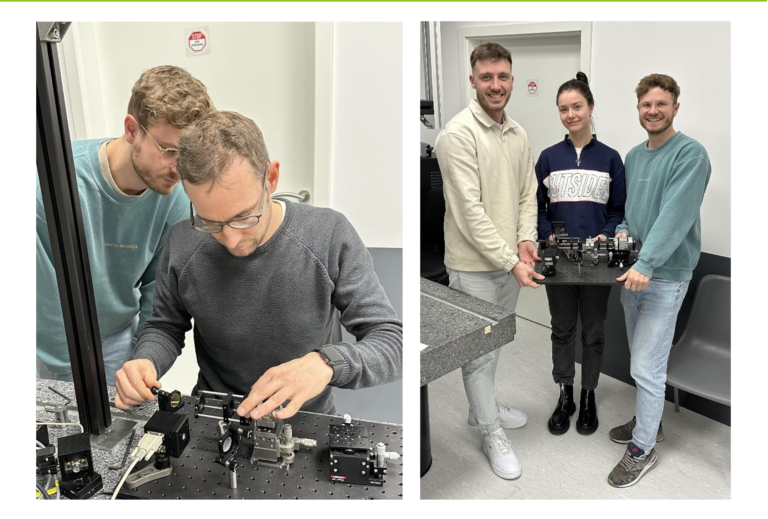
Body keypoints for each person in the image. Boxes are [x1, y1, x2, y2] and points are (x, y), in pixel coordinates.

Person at [113, 111, 403, 420]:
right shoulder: (183, 240)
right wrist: (146, 360)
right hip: (214, 416)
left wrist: (326, 363)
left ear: (272, 178)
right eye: (210, 222)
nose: (231, 239)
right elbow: (166, 326)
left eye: (243, 217)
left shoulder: (328, 234)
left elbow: (391, 342)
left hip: (304, 421)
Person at [35, 65, 215, 387]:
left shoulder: (175, 196)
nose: (179, 168)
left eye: (188, 154)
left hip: (116, 336)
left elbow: (156, 292)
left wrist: (138, 361)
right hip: (47, 346)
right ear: (132, 129)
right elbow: (45, 297)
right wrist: (68, 374)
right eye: (169, 151)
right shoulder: (52, 180)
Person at [434, 42, 544, 480]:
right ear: (473, 80)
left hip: (508, 263)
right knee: (478, 354)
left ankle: (482, 408)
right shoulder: (456, 135)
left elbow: (526, 195)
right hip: (474, 268)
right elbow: (469, 211)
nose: (495, 85)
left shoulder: (517, 134)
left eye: (502, 77)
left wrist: (526, 241)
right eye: (487, 77)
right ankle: (490, 429)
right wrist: (508, 257)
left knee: (494, 344)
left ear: (512, 79)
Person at [607, 73, 711, 487]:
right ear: (638, 109)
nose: (653, 111)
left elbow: (675, 216)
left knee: (647, 368)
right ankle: (651, 424)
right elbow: (633, 214)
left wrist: (647, 263)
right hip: (633, 274)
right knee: (641, 364)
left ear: (675, 107)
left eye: (661, 104)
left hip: (662, 278)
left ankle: (643, 448)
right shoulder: (634, 156)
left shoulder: (691, 154)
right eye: (646, 105)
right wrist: (620, 234)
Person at [535, 73, 626, 437]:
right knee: (562, 330)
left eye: (576, 107)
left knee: (593, 332)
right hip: (557, 261)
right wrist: (547, 238)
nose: (570, 114)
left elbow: (619, 209)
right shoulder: (548, 158)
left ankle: (588, 395)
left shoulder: (610, 159)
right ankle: (565, 393)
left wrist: (606, 232)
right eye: (563, 109)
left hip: (597, 264)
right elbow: (537, 209)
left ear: (590, 108)